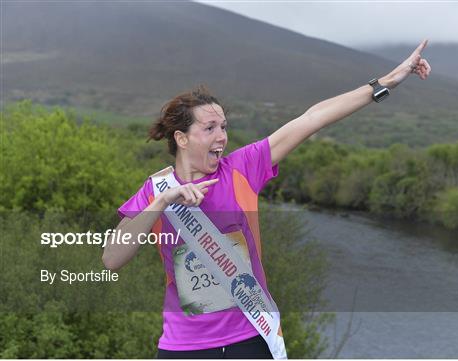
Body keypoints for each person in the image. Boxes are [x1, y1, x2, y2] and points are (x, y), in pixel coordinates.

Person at [102, 40, 431, 359]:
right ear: (181, 138)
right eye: (210, 128)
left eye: (224, 127)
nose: (222, 137)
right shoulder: (155, 191)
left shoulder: (241, 169)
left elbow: (312, 118)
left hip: (250, 338)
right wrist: (162, 203)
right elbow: (112, 259)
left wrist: (387, 81)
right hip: (185, 347)